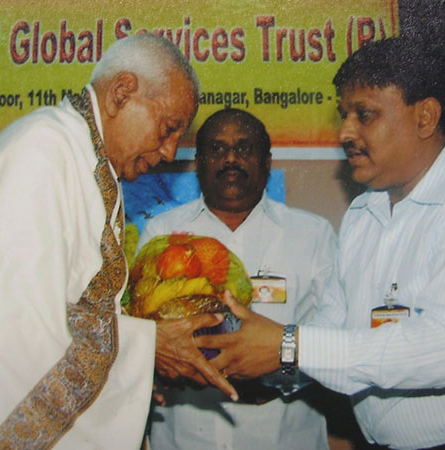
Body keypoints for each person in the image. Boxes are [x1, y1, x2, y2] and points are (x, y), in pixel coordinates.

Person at [0, 33, 237, 450]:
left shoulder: (84, 161)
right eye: (168, 128)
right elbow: (15, 336)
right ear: (121, 93)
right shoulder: (41, 154)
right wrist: (147, 350)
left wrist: (132, 382)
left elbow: (74, 315)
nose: (170, 151)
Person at [198, 38, 445, 449]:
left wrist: (288, 346)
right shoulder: (364, 213)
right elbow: (332, 324)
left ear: (424, 117)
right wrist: (243, 356)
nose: (345, 132)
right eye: (344, 115)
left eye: (365, 115)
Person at [137, 108, 337, 449]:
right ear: (199, 162)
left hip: (285, 433)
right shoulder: (162, 233)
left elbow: (332, 338)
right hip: (186, 435)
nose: (230, 159)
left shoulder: (313, 234)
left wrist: (273, 371)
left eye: (244, 148)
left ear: (266, 161)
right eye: (217, 149)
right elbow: (143, 334)